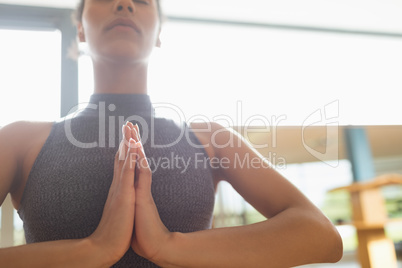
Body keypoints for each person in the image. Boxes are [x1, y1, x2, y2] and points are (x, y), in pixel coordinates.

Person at [0, 0, 343, 267]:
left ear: (159, 33)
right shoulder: (20, 141)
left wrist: (166, 245)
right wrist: (95, 249)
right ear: (80, 29)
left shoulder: (211, 139)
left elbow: (321, 235)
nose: (125, 4)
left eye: (143, 2)